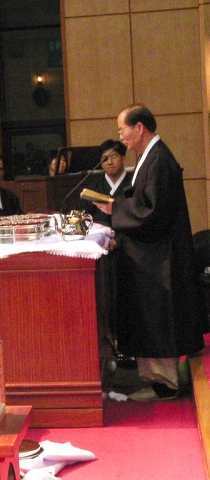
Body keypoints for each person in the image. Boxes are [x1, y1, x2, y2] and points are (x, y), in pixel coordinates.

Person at [95, 104, 206, 401]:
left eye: (123, 130)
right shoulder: (151, 156)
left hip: (158, 257)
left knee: (157, 316)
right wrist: (118, 206)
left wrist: (115, 209)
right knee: (148, 315)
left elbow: (153, 211)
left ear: (139, 128)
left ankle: (163, 383)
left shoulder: (159, 159)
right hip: (150, 253)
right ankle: (153, 377)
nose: (121, 136)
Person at [79, 140, 132, 226]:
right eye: (105, 158)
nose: (109, 162)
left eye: (114, 157)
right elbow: (85, 221)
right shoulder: (92, 189)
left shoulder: (134, 184)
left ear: (123, 159)